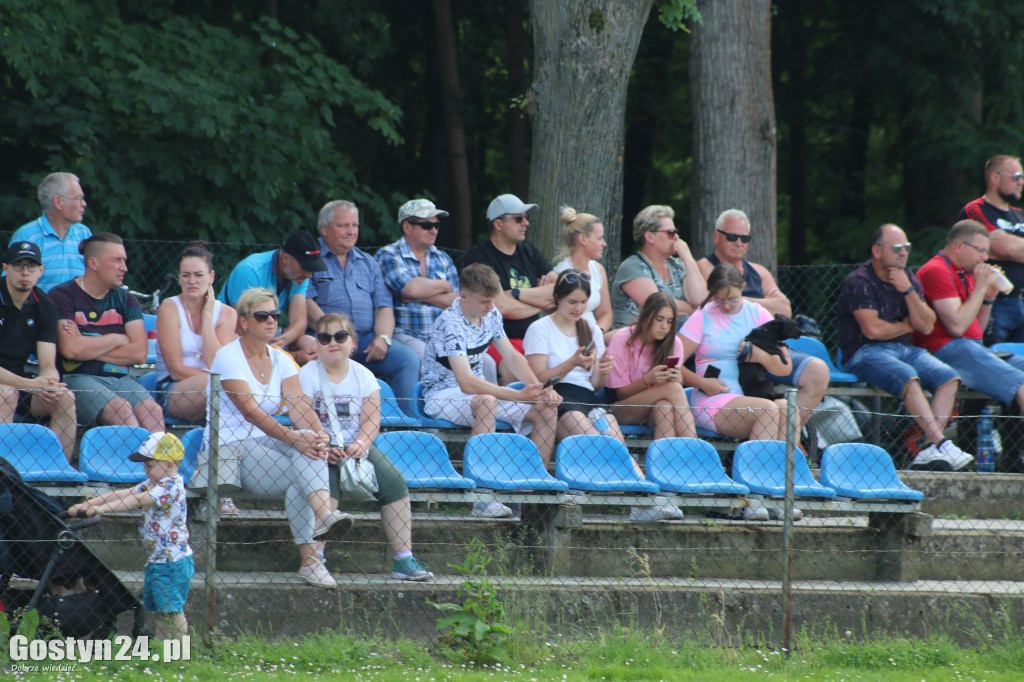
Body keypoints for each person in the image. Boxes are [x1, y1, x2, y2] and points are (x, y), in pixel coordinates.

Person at [205, 288, 354, 588]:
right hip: (229, 450)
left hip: (265, 445)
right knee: (302, 464)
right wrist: (294, 439)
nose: (271, 321)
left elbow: (301, 407)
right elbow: (250, 413)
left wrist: (321, 438)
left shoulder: (281, 359)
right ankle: (314, 553)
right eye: (262, 316)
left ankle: (317, 542)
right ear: (244, 321)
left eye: (275, 314)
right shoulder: (227, 357)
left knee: (307, 442)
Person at [298, 313, 433, 581]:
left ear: (353, 343)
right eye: (325, 337)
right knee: (327, 487)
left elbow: (372, 419)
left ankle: (403, 559)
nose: (333, 342)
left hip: (356, 447)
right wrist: (323, 444)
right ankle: (316, 559)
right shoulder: (306, 374)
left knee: (395, 484)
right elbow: (302, 414)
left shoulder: (363, 375)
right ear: (317, 344)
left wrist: (361, 443)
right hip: (319, 447)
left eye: (340, 336)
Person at [421, 263, 560, 518]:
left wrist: (538, 389)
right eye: (484, 301)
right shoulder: (450, 323)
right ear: (463, 296)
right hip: (442, 395)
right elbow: (466, 383)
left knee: (546, 409)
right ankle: (481, 498)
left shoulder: (491, 313)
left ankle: (531, 489)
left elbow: (512, 357)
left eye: (493, 300)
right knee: (487, 401)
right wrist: (518, 395)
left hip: (478, 393)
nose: (490, 306)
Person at [836, 223, 974, 471]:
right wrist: (907, 324)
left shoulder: (908, 277)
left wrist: (909, 291)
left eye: (907, 248)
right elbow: (873, 331)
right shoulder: (859, 280)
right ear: (877, 251)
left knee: (949, 377)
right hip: (863, 351)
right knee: (908, 376)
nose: (903, 253)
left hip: (904, 350)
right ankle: (942, 443)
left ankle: (928, 449)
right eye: (897, 248)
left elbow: (926, 325)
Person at [680, 264, 797, 521]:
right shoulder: (702, 316)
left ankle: (776, 494)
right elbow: (672, 362)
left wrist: (758, 356)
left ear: (743, 289)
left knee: (788, 410)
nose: (725, 306)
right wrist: (701, 383)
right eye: (718, 300)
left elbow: (784, 366)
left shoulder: (757, 313)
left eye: (732, 299)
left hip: (751, 394)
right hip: (712, 398)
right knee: (767, 410)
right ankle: (753, 498)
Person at [696, 209, 829, 426]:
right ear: (716, 236)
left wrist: (741, 301)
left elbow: (784, 310)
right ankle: (775, 434)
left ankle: (790, 436)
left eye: (745, 238)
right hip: (732, 352)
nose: (738, 243)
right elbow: (707, 302)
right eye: (732, 236)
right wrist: (764, 303)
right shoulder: (704, 267)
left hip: (769, 349)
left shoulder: (759, 271)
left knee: (818, 371)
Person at [913, 220, 1024, 472]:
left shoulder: (965, 272)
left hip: (969, 347)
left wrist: (987, 299)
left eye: (987, 252)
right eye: (981, 251)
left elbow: (976, 331)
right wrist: (981, 287)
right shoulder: (937, 270)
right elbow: (956, 327)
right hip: (944, 349)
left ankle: (1012, 457)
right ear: (959, 246)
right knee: (1019, 382)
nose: (985, 258)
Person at [69, 432, 192, 641]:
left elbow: (136, 501)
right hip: (158, 560)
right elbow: (124, 494)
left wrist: (102, 509)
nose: (145, 469)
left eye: (149, 465)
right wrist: (87, 504)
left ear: (169, 465)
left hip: (172, 562)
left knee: (172, 611)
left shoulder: (170, 487)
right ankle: (164, 650)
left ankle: (179, 652)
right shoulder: (153, 483)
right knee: (162, 611)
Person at [305, 200, 420, 403]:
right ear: (324, 228)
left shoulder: (368, 262)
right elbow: (305, 303)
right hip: (325, 339)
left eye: (355, 225)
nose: (351, 231)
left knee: (407, 359)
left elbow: (383, 308)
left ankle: (405, 419)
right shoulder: (310, 258)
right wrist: (341, 335)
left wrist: (383, 338)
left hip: (366, 341)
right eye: (344, 225)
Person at [155, 242, 240, 515]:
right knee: (225, 387)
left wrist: (207, 314)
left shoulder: (226, 313)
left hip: (216, 390)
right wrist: (220, 381)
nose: (192, 281)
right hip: (174, 389)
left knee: (225, 391)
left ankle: (220, 484)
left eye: (199, 275)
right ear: (179, 278)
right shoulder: (170, 308)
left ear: (211, 277)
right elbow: (177, 369)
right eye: (186, 275)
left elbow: (216, 361)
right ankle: (219, 487)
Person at [50, 233, 164, 432]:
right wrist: (118, 338)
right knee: (121, 409)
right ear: (93, 263)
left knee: (152, 410)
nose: (124, 268)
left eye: (124, 260)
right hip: (78, 378)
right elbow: (70, 350)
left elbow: (139, 353)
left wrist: (85, 344)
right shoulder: (62, 296)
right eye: (117, 260)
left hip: (122, 380)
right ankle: (136, 454)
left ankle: (161, 454)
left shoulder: (126, 299)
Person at [603, 291, 693, 522]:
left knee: (665, 408)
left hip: (655, 408)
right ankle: (694, 453)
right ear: (646, 317)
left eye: (670, 322)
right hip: (621, 408)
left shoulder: (674, 343)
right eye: (659, 319)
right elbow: (618, 392)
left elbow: (671, 389)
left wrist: (676, 377)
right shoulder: (623, 338)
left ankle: (664, 492)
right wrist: (648, 380)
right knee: (673, 390)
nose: (664, 327)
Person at [462, 193, 555, 383]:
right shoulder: (479, 257)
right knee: (516, 370)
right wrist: (542, 303)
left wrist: (516, 294)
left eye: (526, 218)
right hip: (495, 340)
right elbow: (501, 307)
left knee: (559, 366)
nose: (526, 223)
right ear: (498, 224)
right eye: (518, 218)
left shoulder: (530, 252)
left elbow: (559, 290)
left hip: (533, 338)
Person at [523, 269, 622, 441]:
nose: (579, 308)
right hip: (556, 397)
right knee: (595, 445)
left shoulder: (592, 330)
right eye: (572, 302)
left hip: (587, 398)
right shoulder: (540, 328)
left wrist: (603, 370)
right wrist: (572, 362)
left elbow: (596, 385)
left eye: (584, 302)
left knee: (617, 445)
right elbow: (539, 380)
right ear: (557, 298)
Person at [0, 242, 76, 460]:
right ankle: (5, 475)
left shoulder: (45, 305)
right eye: (18, 265)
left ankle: (59, 472)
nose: (25, 272)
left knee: (65, 398)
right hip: (12, 386)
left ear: (41, 270)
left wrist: (49, 384)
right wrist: (30, 385)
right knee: (6, 394)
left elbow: (48, 365)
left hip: (20, 383)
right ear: (5, 268)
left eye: (31, 266)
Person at [218, 229, 325, 364]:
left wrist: (280, 341)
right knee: (237, 341)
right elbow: (241, 326)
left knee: (313, 345)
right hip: (232, 332)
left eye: (312, 269)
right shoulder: (251, 270)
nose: (309, 275)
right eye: (305, 267)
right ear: (286, 258)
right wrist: (292, 356)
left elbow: (299, 322)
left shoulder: (299, 275)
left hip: (266, 334)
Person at [375, 199, 460, 358]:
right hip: (407, 334)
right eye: (427, 225)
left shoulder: (443, 258)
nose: (434, 231)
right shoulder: (389, 255)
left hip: (445, 335)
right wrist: (444, 286)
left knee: (486, 362)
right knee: (428, 360)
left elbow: (457, 303)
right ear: (407, 227)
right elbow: (411, 289)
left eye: (436, 225)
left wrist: (424, 296)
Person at [957, 154, 1024, 344]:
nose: (1021, 182)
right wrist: (1009, 248)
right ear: (995, 178)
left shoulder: (1020, 215)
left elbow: (1008, 248)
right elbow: (1005, 248)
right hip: (994, 302)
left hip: (1021, 300)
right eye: (1016, 177)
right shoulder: (975, 209)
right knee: (996, 357)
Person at [610, 205, 707, 331]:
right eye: (671, 233)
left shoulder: (678, 265)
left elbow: (699, 299)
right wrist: (692, 309)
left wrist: (688, 259)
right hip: (634, 337)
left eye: (676, 232)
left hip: (673, 336)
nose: (677, 237)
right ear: (650, 237)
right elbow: (659, 306)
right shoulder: (632, 266)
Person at [10, 172, 93, 292]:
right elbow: (11, 284)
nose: (84, 204)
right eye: (78, 198)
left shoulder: (84, 233)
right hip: (39, 305)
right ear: (58, 202)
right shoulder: (27, 236)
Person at [551, 207, 613, 333]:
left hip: (595, 333)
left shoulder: (598, 269)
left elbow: (606, 313)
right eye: (600, 238)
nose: (604, 244)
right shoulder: (560, 273)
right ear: (583, 239)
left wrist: (597, 332)